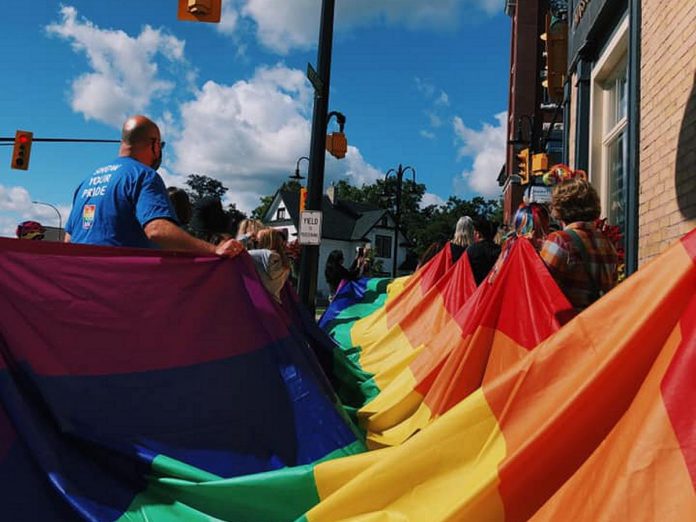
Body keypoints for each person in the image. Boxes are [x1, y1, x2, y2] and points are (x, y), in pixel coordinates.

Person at [64, 115, 242, 257]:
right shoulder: (143, 175)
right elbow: (157, 230)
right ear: (155, 145)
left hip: (82, 287)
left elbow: (69, 240)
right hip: (120, 286)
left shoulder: (86, 183)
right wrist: (213, 250)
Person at [540, 177, 618, 311]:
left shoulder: (560, 240)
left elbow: (538, 289)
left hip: (568, 327)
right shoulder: (608, 244)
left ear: (560, 206)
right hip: (599, 325)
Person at [248, 228, 291, 303]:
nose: (256, 243)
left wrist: (246, 237)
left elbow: (239, 252)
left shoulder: (259, 255)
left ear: (263, 241)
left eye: (257, 241)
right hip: (275, 304)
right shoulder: (284, 262)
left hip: (256, 304)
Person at [466, 218, 502, 285]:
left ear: (478, 234)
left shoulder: (471, 250)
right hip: (493, 289)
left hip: (476, 290)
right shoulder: (499, 250)